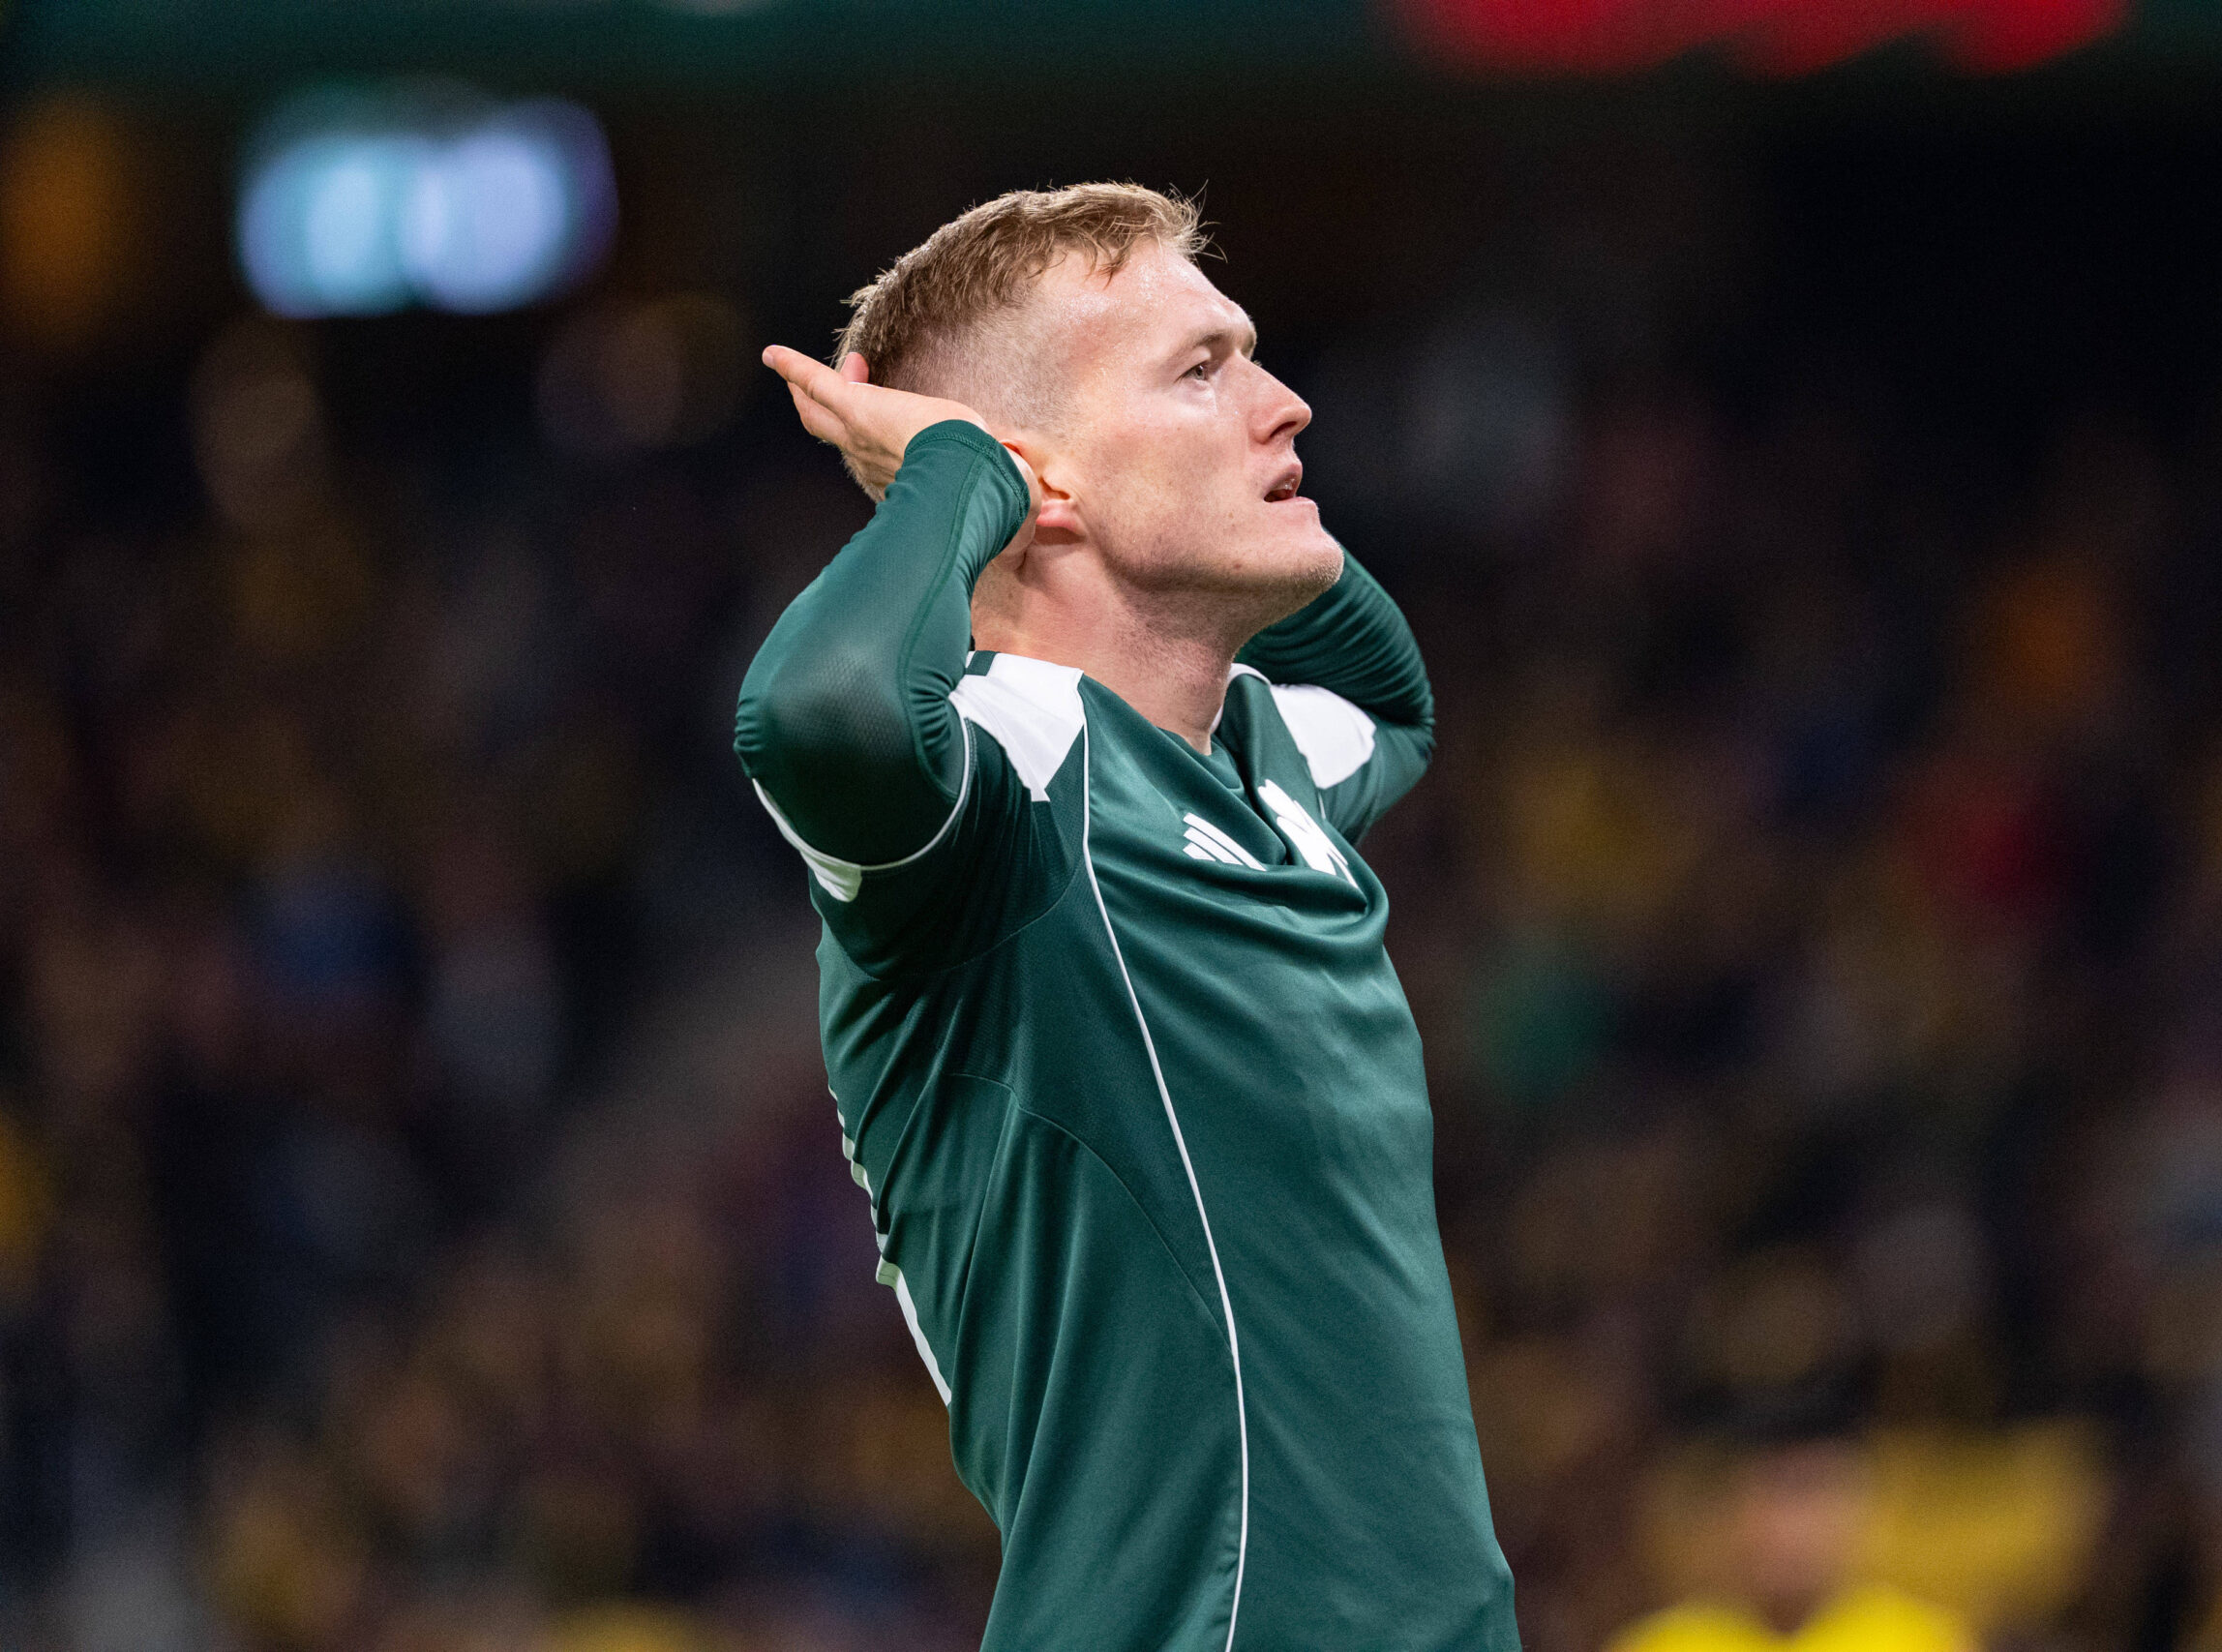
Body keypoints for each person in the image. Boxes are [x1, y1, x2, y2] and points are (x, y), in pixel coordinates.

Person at [736, 185, 1517, 1652]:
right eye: (1202, 369)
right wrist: (964, 471)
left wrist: (1259, 541)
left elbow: (1399, 699)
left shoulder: (1272, 767)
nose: (1285, 405)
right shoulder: (1001, 787)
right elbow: (820, 708)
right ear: (1044, 479)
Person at [1606, 1424, 1974, 1652]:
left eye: (1810, 1496)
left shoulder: (1923, 1640)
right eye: (1770, 1498)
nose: (1787, 1528)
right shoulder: (1662, 1644)